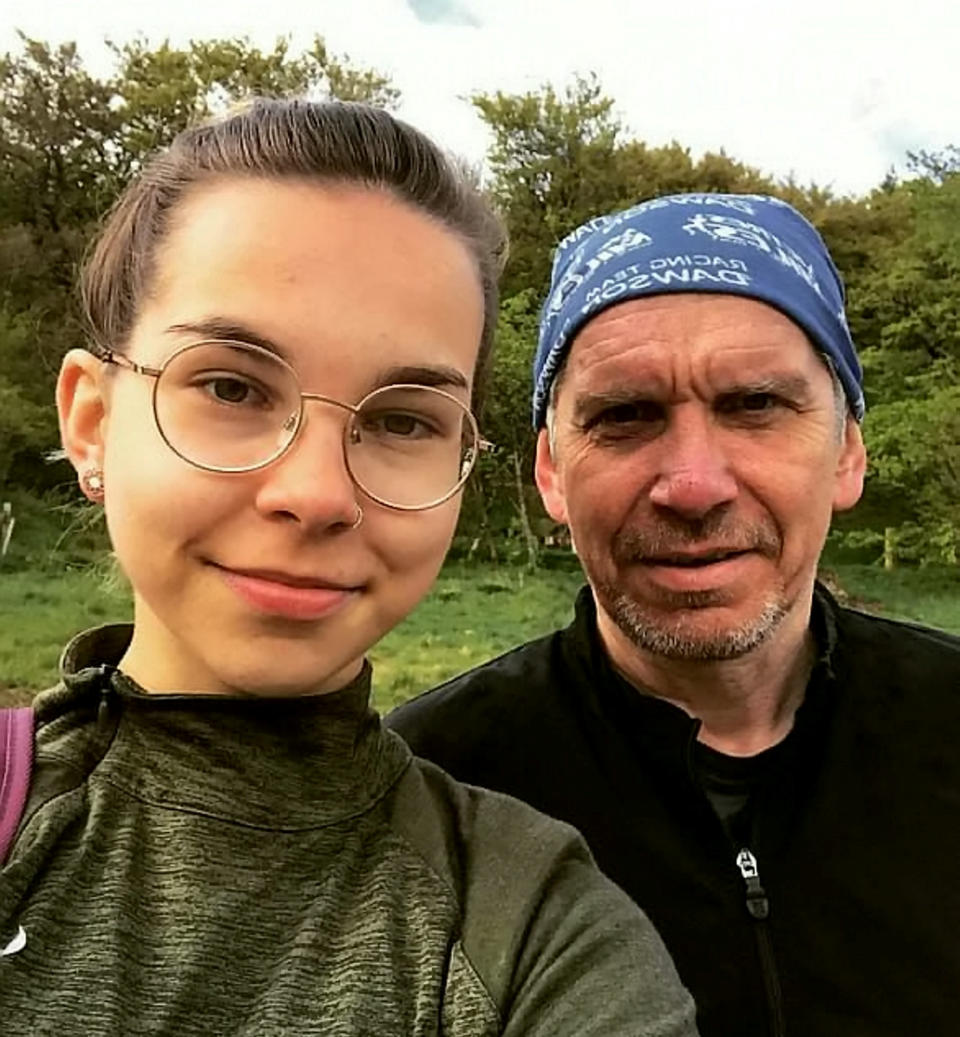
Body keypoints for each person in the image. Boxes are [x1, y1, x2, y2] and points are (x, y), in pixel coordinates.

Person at [0, 101, 699, 1036]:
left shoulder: (533, 927)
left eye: (403, 419)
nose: (319, 492)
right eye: (232, 387)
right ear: (91, 421)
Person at [389, 193, 960, 1037]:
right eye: (624, 415)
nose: (693, 484)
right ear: (551, 470)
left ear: (847, 450)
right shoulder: (429, 794)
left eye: (756, 404)